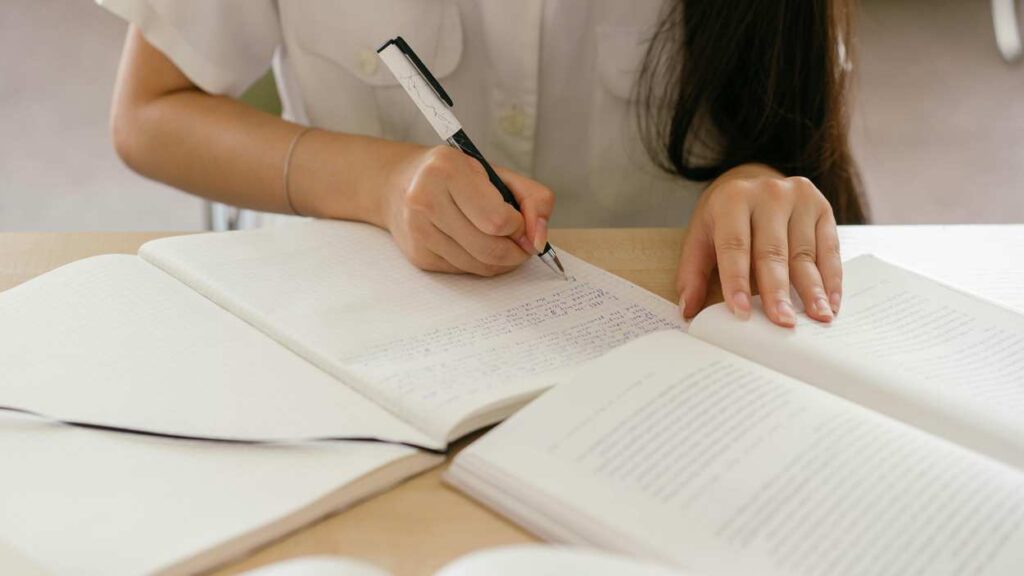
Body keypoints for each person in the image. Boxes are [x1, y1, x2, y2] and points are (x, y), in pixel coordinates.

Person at [102, 0, 867, 328]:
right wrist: (378, 182)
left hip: (677, 320)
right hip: (365, 322)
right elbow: (150, 112)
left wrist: (756, 185)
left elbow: (788, 126)